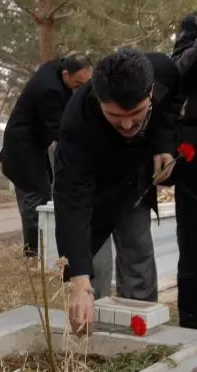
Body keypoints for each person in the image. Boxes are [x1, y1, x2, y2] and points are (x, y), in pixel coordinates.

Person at [54, 48, 182, 335]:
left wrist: (164, 145)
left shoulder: (163, 71)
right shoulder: (76, 124)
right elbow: (71, 201)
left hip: (135, 179)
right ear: (99, 100)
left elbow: (170, 109)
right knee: (89, 267)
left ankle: (143, 331)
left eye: (136, 113)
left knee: (137, 252)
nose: (126, 124)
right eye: (114, 116)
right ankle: (92, 331)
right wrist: (78, 279)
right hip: (95, 192)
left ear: (150, 92)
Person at [0, 53, 93, 257]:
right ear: (66, 74)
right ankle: (35, 252)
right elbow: (60, 131)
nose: (80, 89)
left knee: (43, 192)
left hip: (35, 145)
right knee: (36, 198)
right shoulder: (49, 90)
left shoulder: (60, 68)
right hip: (22, 148)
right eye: (77, 85)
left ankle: (41, 246)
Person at [171, 12, 197, 329]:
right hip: (194, 157)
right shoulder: (191, 26)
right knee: (192, 243)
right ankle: (191, 322)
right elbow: (177, 72)